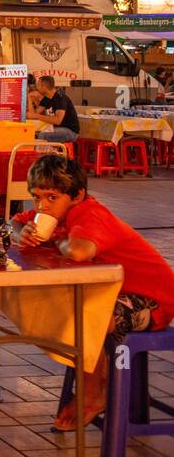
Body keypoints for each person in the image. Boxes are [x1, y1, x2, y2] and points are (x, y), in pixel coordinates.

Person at [11, 154, 174, 430]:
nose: (42, 206)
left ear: (77, 195)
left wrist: (57, 238)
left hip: (154, 301)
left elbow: (78, 250)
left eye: (51, 197)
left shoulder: (90, 214)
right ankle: (96, 382)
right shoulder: (52, 212)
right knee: (63, 310)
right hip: (113, 293)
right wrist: (20, 232)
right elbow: (15, 221)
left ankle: (94, 392)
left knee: (85, 319)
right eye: (37, 197)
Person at [31, 74, 79, 142]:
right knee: (32, 133)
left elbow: (57, 120)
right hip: (55, 128)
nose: (36, 87)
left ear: (44, 87)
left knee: (41, 135)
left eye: (38, 85)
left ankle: (45, 152)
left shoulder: (60, 98)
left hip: (70, 131)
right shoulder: (46, 98)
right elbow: (34, 114)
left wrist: (37, 116)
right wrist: (29, 97)